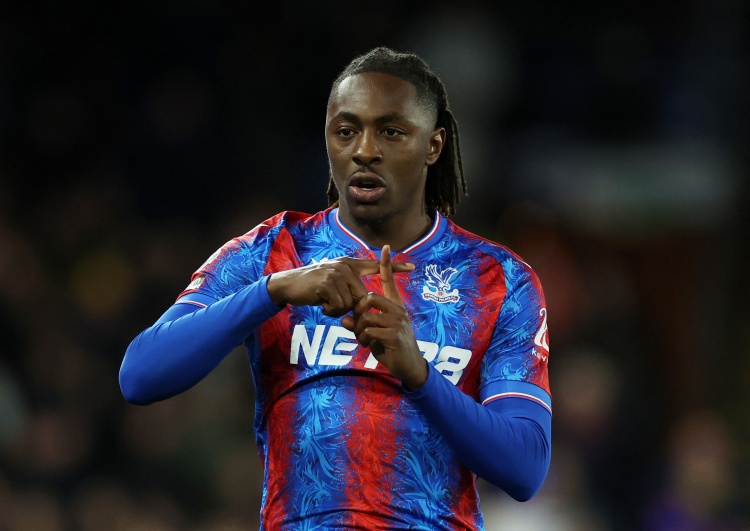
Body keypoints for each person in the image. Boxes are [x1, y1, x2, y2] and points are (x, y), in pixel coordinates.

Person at [119, 46, 552, 530]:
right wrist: (272, 291)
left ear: (433, 145)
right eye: (346, 131)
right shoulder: (272, 252)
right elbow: (140, 375)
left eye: (390, 131)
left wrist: (418, 374)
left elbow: (525, 468)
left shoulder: (499, 279)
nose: (364, 150)